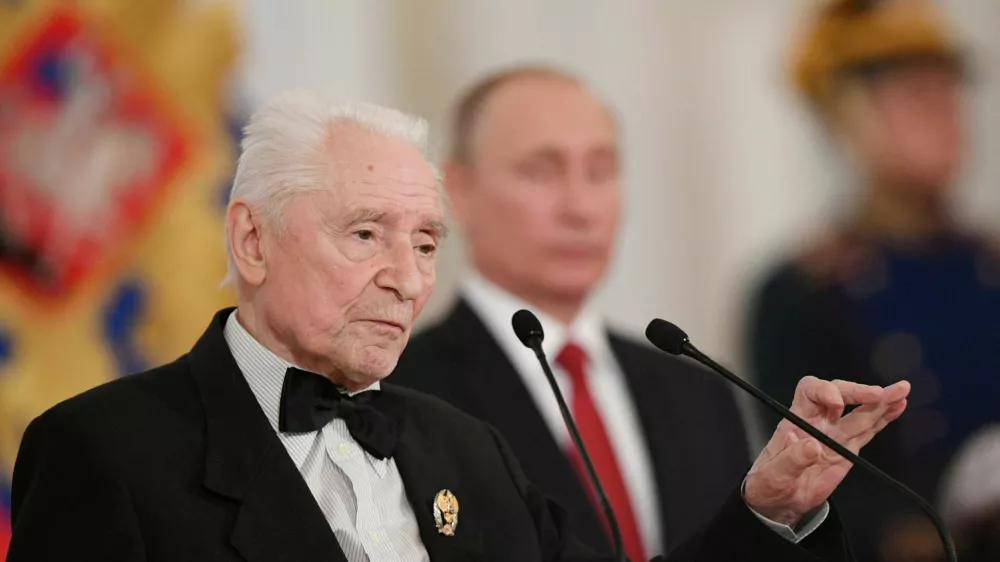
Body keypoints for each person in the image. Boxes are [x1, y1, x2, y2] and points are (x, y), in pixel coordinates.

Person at [7, 89, 909, 562]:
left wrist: (770, 506)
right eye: (365, 234)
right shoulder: (104, 452)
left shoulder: (465, 449)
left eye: (427, 242)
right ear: (251, 238)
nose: (406, 280)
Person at [389, 66, 751, 561]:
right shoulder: (399, 389)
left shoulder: (701, 393)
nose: (580, 207)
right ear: (457, 190)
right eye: (541, 171)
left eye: (601, 172)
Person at [745, 0, 1000, 560]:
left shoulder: (990, 262)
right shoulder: (804, 292)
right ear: (846, 120)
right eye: (913, 95)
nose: (944, 112)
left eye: (948, 91)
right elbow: (810, 493)